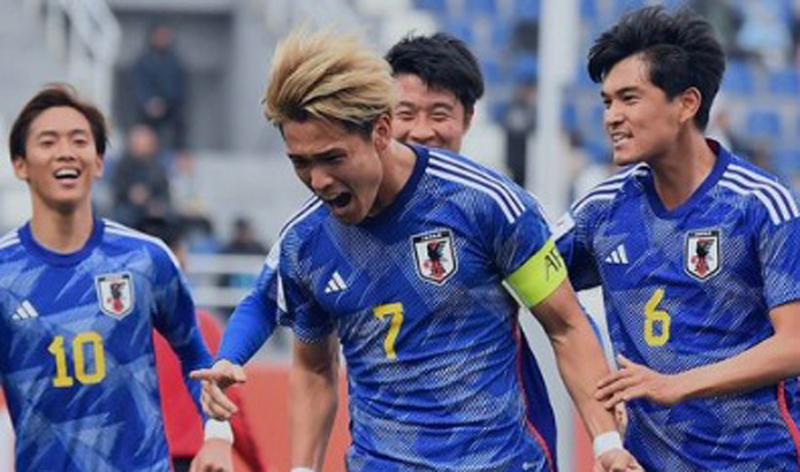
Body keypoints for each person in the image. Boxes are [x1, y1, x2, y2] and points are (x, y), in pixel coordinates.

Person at [193, 29, 640, 472]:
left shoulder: (486, 204)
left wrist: (605, 443)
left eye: (332, 158)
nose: (318, 180)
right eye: (301, 163)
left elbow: (565, 325)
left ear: (381, 131)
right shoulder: (307, 242)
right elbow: (308, 361)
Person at [555, 6, 800, 470]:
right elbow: (533, 285)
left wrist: (677, 384)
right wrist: (606, 439)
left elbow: (795, 344)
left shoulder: (762, 205)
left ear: (687, 104)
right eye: (607, 102)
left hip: (762, 461)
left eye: (629, 98)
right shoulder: (600, 211)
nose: (611, 117)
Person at [0, 85, 232, 472]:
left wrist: (218, 437)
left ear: (99, 161)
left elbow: (197, 356)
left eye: (79, 140)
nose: (66, 151)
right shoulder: (4, 273)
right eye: (48, 141)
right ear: (20, 164)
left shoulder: (146, 259)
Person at [385, 31, 558, 465]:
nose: (422, 131)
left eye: (439, 113)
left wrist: (604, 439)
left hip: (495, 454)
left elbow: (568, 323)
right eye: (407, 113)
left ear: (468, 118)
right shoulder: (348, 212)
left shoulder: (496, 209)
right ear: (383, 117)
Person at [136, 218, 266, 472]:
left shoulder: (118, 332)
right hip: (196, 460)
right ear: (180, 257)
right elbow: (228, 406)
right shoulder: (202, 326)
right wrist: (260, 466)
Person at [133, 23, 187, 150]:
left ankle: (179, 153)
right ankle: (144, 151)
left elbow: (179, 87)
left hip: (171, 105)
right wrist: (150, 102)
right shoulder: (143, 60)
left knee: (179, 122)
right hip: (147, 106)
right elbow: (140, 85)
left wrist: (165, 103)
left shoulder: (175, 61)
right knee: (142, 124)